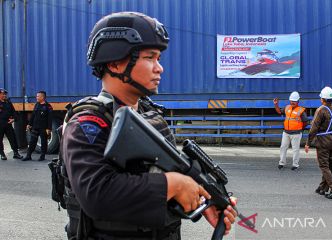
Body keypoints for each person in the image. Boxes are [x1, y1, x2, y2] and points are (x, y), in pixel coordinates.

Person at [60, 12, 237, 240]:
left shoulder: (151, 116)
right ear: (115, 63)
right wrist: (173, 184)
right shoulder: (87, 123)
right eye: (150, 58)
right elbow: (96, 194)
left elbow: (157, 185)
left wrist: (202, 200)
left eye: (159, 59)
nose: (159, 68)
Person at [305, 87, 332, 200]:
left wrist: (308, 142)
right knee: (330, 165)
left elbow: (314, 128)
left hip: (323, 141)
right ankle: (323, 187)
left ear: (323, 99)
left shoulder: (321, 110)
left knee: (324, 165)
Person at [273, 91, 308, 170]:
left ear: (298, 101)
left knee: (295, 150)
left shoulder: (301, 110)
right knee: (283, 147)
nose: (293, 102)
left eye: (294, 101)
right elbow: (279, 111)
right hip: (286, 132)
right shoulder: (287, 107)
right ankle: (281, 163)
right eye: (292, 100)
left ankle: (295, 165)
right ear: (290, 100)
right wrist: (276, 104)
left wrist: (300, 129)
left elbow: (305, 122)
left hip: (296, 133)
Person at [23, 91, 53, 161]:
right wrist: (29, 124)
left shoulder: (48, 106)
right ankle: (28, 155)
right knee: (32, 142)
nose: (36, 97)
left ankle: (42, 156)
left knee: (43, 142)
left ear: (42, 97)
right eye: (36, 96)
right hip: (35, 127)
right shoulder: (37, 104)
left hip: (43, 128)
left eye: (38, 96)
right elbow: (33, 115)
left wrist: (49, 128)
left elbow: (50, 118)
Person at [0, 88, 23, 160]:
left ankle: (16, 153)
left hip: (8, 123)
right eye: (3, 94)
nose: (4, 95)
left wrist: (14, 119)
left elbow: (14, 112)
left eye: (5, 94)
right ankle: (2, 154)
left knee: (12, 138)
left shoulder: (8, 102)